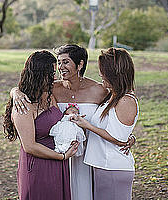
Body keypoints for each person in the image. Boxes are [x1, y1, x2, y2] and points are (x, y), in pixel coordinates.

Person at [11, 44, 135, 200]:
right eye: (59, 62)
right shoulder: (51, 88)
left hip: (89, 155)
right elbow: (29, 87)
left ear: (80, 64)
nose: (60, 68)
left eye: (66, 62)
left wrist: (128, 136)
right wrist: (15, 92)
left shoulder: (99, 90)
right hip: (58, 155)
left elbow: (116, 114)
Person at [3, 50, 79, 200]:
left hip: (58, 163)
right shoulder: (23, 106)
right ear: (38, 75)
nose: (55, 77)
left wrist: (14, 90)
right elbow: (29, 146)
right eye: (50, 73)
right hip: (39, 165)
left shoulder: (49, 94)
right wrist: (62, 156)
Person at [70, 47, 139, 200]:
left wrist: (87, 125)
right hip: (103, 166)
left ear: (114, 73)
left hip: (113, 168)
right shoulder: (112, 97)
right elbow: (122, 130)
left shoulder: (126, 100)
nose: (100, 74)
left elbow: (120, 139)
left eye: (103, 70)